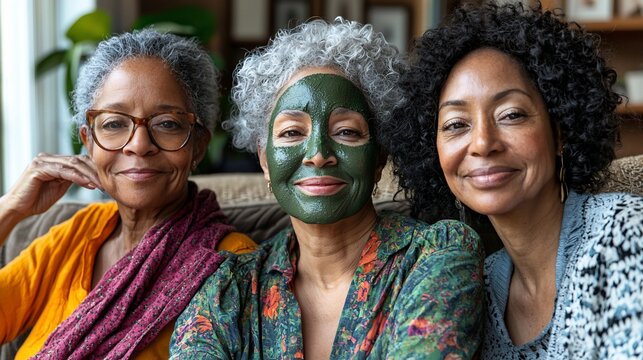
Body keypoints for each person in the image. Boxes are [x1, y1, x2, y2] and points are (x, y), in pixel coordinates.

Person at [169, 18, 484, 359]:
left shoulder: (437, 256)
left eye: (346, 131)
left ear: (379, 156)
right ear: (264, 159)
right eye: (292, 133)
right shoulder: (228, 291)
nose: (318, 155)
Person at [380, 2, 643, 359]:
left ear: (560, 132)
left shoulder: (624, 233)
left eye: (511, 115)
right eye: (456, 124)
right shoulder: (477, 289)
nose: (484, 143)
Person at [0, 29, 255, 359]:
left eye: (166, 123)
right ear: (88, 141)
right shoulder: (75, 236)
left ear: (198, 145)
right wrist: (10, 210)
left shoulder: (233, 264)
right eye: (114, 123)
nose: (138, 145)